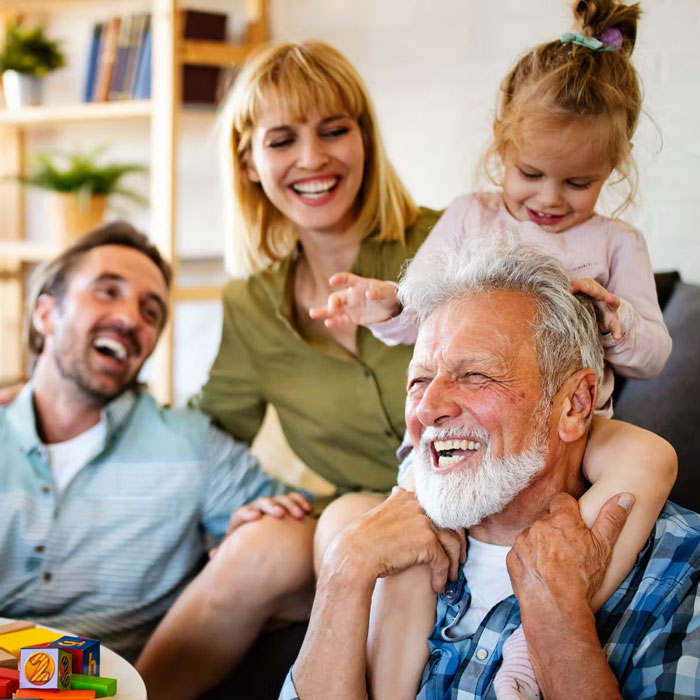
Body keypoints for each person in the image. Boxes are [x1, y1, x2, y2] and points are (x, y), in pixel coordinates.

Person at [310, 2, 677, 697]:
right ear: (500, 150)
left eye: (577, 183)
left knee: (652, 458)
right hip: (460, 444)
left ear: (613, 170)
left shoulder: (615, 244)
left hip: (577, 424)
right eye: (531, 173)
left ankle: (536, 647)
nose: (548, 199)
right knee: (416, 552)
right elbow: (421, 313)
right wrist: (379, 304)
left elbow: (652, 354)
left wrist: (619, 319)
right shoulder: (471, 218)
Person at [136, 40, 442, 700]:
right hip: (357, 519)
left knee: (349, 536)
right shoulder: (251, 305)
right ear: (249, 163)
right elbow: (202, 431)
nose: (313, 158)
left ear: (364, 138)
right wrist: (43, 399)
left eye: (335, 130)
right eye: (282, 140)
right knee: (259, 547)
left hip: (470, 503)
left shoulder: (448, 244)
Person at [281, 237, 699, 700]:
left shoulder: (681, 572)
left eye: (475, 375)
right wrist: (344, 571)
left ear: (576, 404)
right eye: (418, 381)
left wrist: (558, 624)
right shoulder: (380, 553)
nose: (428, 410)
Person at [0, 222, 309, 662]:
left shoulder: (192, 445)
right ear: (45, 313)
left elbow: (305, 544)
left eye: (151, 311)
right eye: (107, 291)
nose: (130, 319)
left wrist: (261, 528)